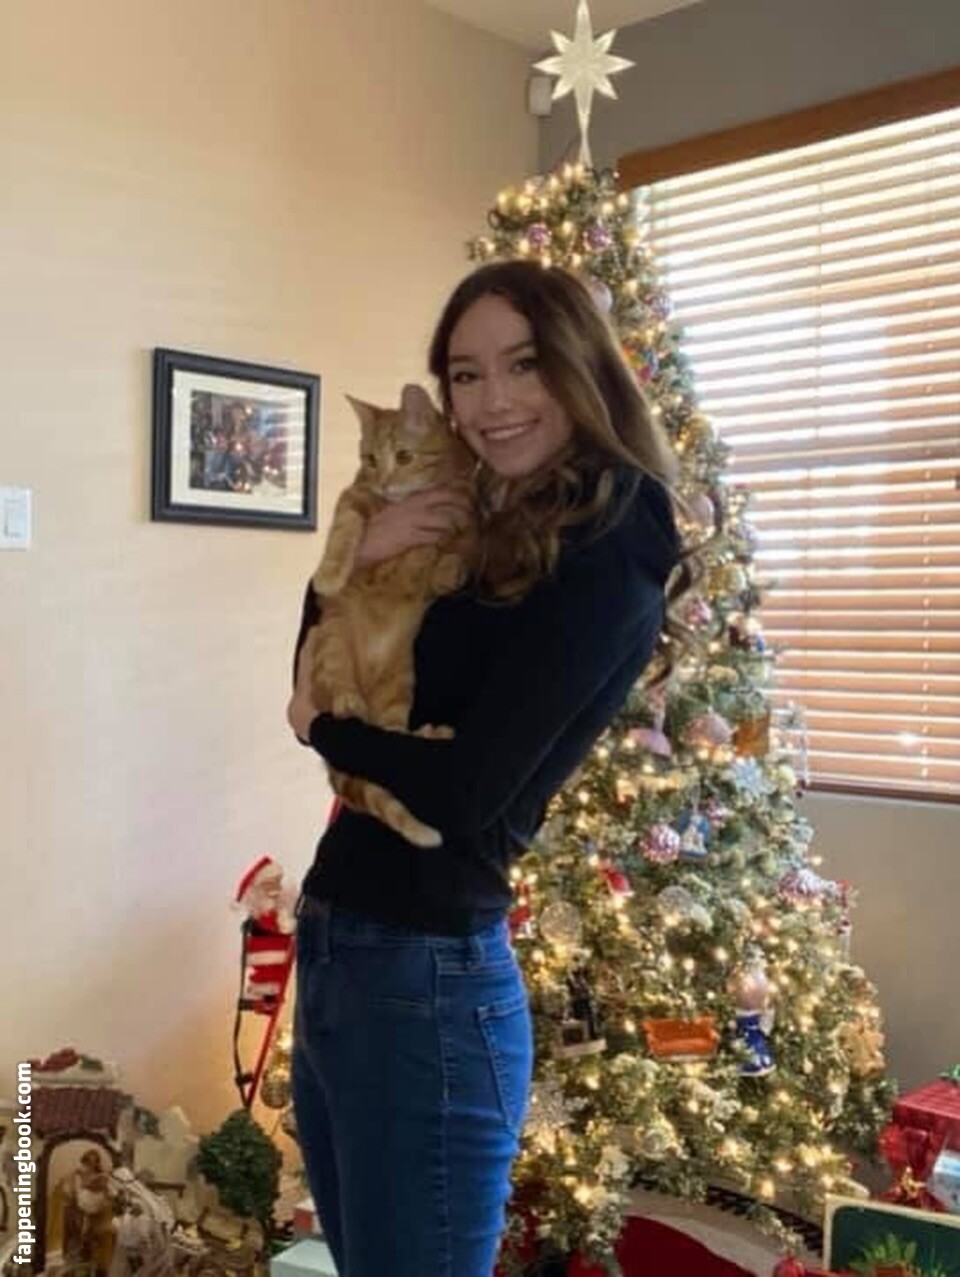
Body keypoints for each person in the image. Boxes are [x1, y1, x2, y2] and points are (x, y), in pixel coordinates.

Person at [286, 260, 686, 1277]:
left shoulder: (615, 543)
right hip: (346, 950)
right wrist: (355, 557)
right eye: (465, 375)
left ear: (581, 364)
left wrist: (325, 730)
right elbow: (326, 672)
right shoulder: (497, 521)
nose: (492, 400)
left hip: (424, 975)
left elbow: (464, 792)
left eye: (523, 364)